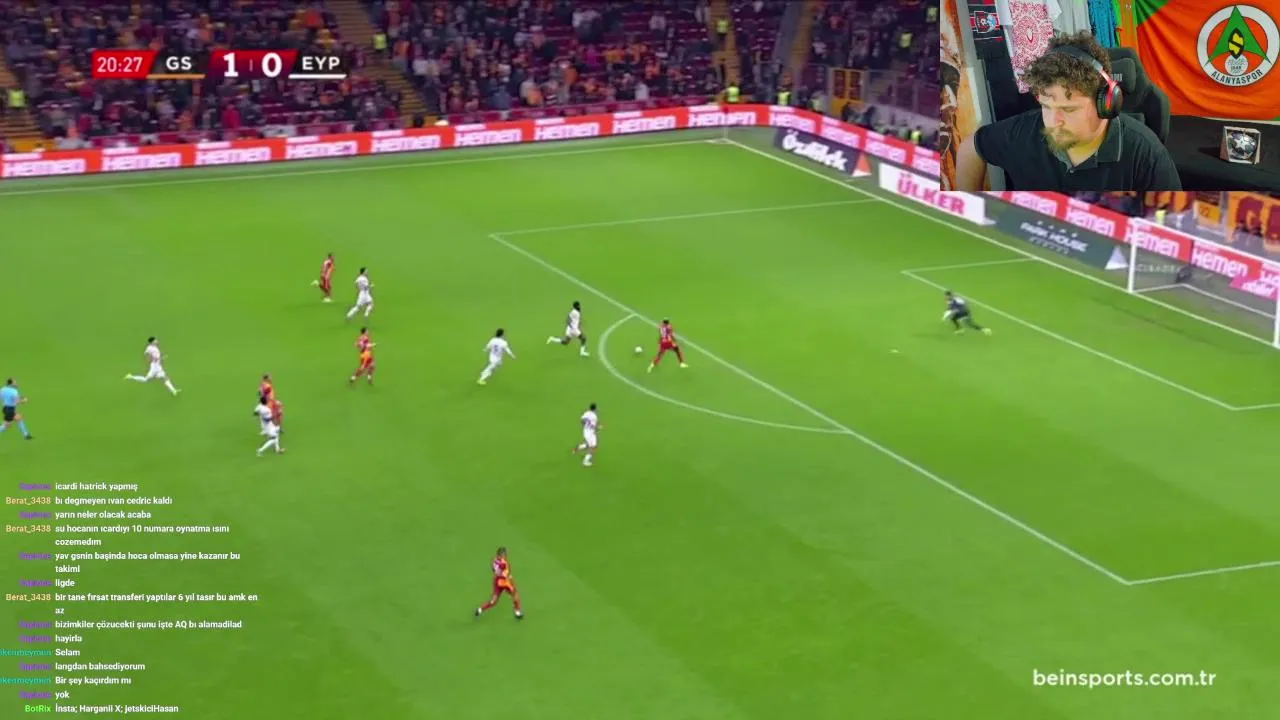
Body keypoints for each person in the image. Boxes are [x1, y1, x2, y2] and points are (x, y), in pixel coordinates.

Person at [955, 32, 1179, 192]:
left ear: (1106, 104)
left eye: (1069, 109)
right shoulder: (1021, 132)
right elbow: (971, 147)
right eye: (1046, 106)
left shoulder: (1146, 155)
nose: (1054, 121)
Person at [475, 547, 523, 619]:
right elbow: (506, 573)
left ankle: (480, 609)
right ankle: (517, 612)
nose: (506, 555)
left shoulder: (494, 560)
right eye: (504, 553)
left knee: (493, 601)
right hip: (505, 582)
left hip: (497, 582)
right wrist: (509, 576)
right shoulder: (504, 563)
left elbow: (493, 569)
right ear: (501, 554)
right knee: (515, 594)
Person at [573, 403, 601, 467]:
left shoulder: (586, 413)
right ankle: (585, 461)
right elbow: (593, 426)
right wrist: (598, 428)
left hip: (587, 432)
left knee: (590, 445)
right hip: (589, 433)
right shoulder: (594, 416)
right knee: (592, 447)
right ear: (595, 409)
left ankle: (576, 449)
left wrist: (585, 425)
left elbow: (582, 420)